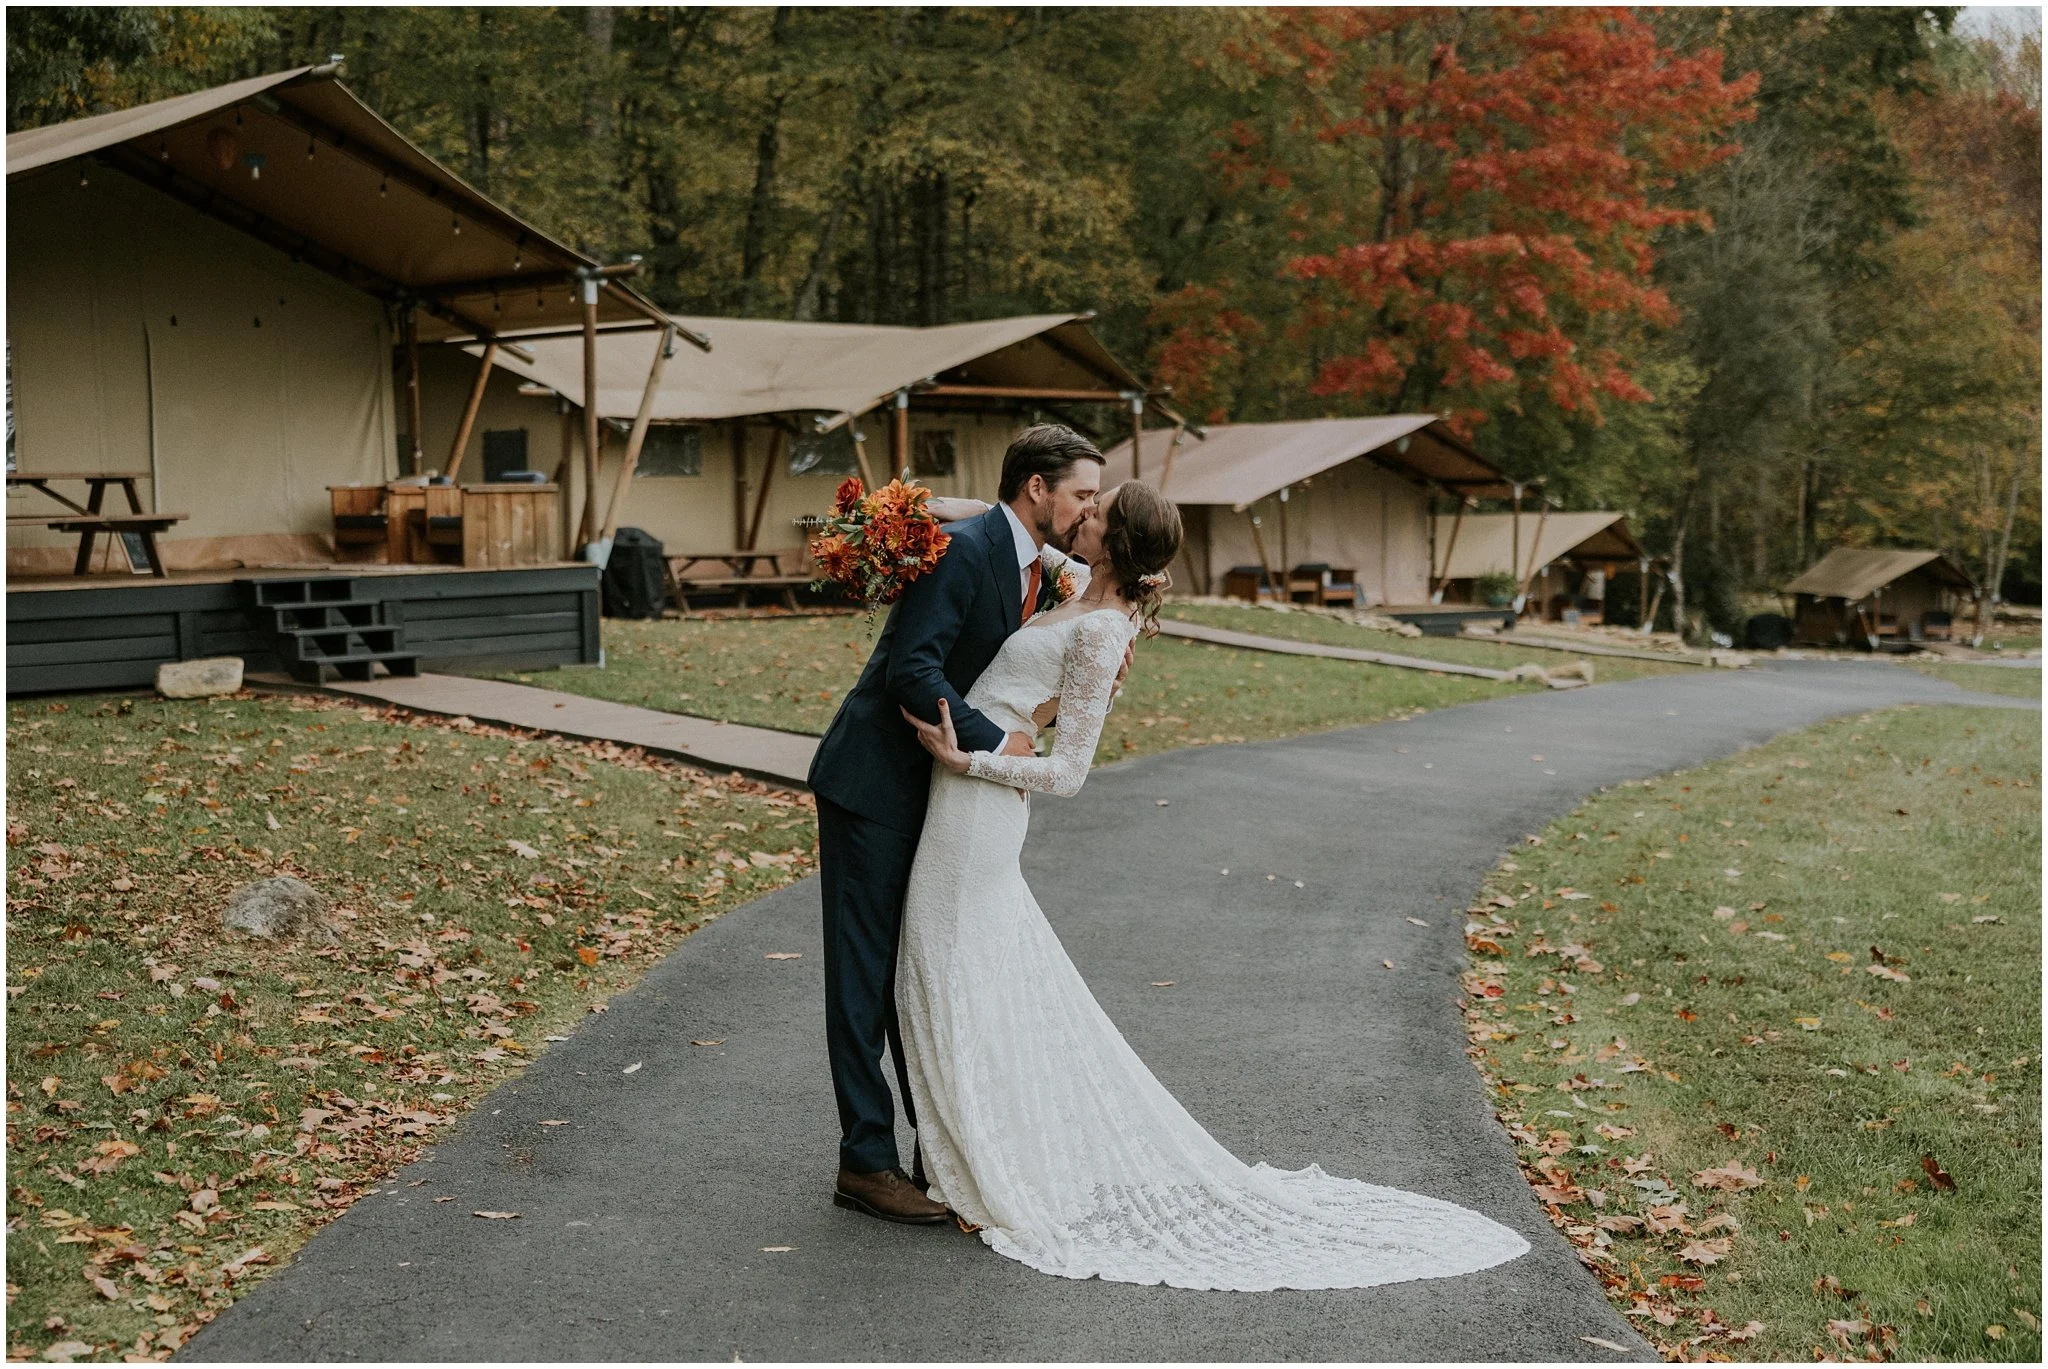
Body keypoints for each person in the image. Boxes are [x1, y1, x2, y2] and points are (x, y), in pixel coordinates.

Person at [893, 481, 1533, 1290]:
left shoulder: (1100, 628)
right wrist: (928, 510)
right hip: (964, 801)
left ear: (1116, 540)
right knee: (951, 971)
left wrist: (969, 759)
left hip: (981, 803)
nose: (1079, 514)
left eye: (1095, 510)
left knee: (948, 968)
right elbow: (1011, 532)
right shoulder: (1076, 584)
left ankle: (978, 1165)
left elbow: (1072, 771)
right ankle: (969, 1155)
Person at [805, 423, 1106, 1224]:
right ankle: (863, 1160)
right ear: (1038, 488)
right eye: (1080, 494)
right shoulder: (969, 551)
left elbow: (1078, 578)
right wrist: (995, 743)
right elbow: (915, 670)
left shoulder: (1037, 563)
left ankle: (933, 1152)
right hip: (874, 785)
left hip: (942, 797)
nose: (1088, 510)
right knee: (865, 979)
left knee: (926, 973)